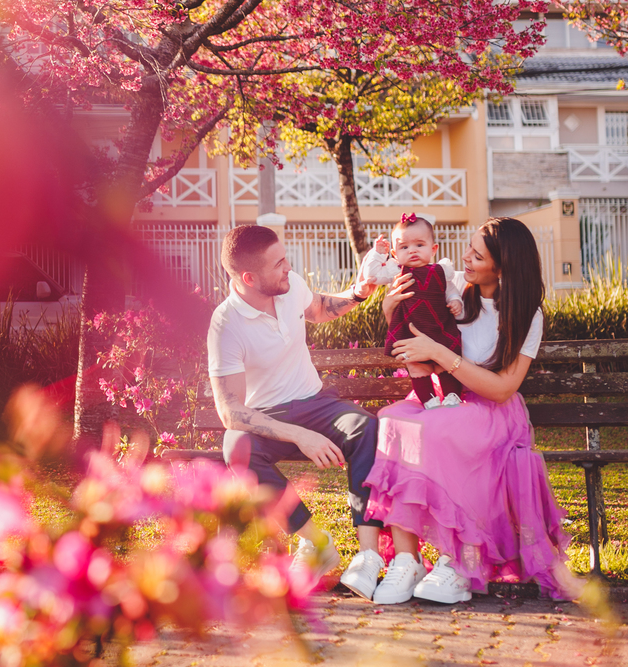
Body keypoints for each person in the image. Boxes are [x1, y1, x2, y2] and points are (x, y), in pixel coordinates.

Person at [362, 217, 577, 605]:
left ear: (503, 266)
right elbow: (412, 327)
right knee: (393, 420)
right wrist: (389, 309)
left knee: (442, 428)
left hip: (491, 409)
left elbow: (503, 387)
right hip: (443, 398)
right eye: (469, 249)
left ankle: (459, 562)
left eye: (477, 256)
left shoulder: (526, 315)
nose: (465, 258)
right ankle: (407, 560)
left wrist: (440, 353)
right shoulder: (453, 285)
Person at [207, 224, 387, 598]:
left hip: (317, 404)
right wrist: (301, 436)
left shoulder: (289, 287)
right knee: (236, 446)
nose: (288, 267)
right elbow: (230, 412)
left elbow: (319, 308)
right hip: (267, 420)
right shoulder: (226, 324)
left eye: (285, 259)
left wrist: (358, 292)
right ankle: (314, 543)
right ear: (249, 278)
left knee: (366, 427)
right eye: (279, 264)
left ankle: (369, 555)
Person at [358, 213, 464, 408]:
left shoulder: (441, 270)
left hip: (439, 327)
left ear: (433, 249)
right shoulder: (397, 271)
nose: (412, 251)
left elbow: (450, 290)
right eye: (404, 247)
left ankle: (452, 396)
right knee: (416, 367)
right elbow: (371, 275)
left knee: (445, 364)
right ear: (395, 253)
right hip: (410, 330)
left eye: (419, 245)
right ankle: (429, 401)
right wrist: (378, 254)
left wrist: (455, 300)